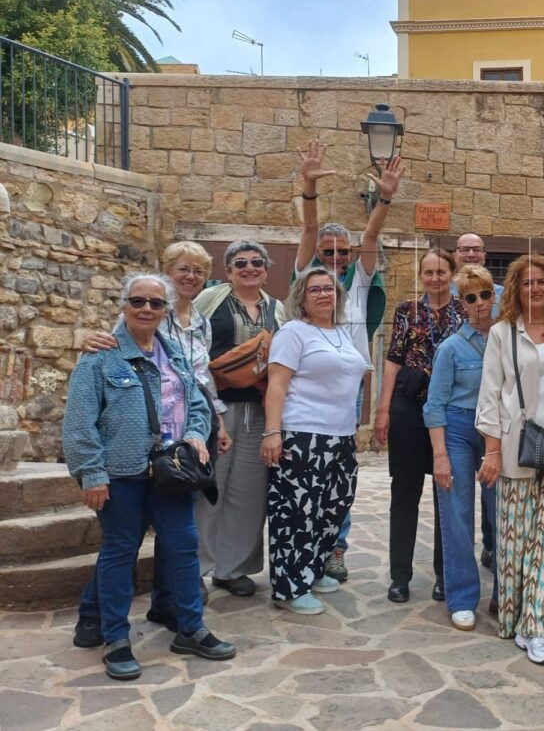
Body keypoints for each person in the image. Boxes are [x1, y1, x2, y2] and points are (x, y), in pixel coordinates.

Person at [63, 273, 236, 681]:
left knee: (183, 548)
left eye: (156, 303)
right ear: (123, 304)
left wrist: (196, 434)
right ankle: (116, 638)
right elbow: (79, 423)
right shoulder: (100, 356)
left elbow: (198, 401)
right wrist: (91, 473)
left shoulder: (173, 353)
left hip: (171, 472)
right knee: (120, 551)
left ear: (165, 309)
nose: (146, 309)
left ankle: (190, 628)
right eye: (137, 301)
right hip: (121, 475)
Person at [293, 140, 402, 584]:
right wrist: (310, 191)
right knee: (308, 473)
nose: (336, 258)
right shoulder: (310, 282)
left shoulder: (358, 283)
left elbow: (372, 237)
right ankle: (308, 545)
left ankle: (335, 547)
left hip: (347, 387)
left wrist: (385, 199)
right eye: (329, 251)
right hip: (307, 387)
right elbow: (306, 234)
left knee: (341, 472)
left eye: (343, 251)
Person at [475, 254, 544, 666]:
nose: (534, 289)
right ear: (516, 291)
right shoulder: (503, 334)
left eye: (541, 281)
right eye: (526, 283)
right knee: (515, 541)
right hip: (516, 447)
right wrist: (489, 452)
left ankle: (538, 625)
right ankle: (516, 618)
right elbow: (489, 396)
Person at [261, 266, 371, 614]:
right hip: (302, 433)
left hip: (340, 436)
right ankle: (289, 587)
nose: (324, 294)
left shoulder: (342, 333)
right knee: (296, 512)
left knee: (333, 506)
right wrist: (273, 431)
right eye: (315, 290)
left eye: (330, 289)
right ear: (302, 299)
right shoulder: (294, 332)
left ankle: (314, 567)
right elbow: (277, 383)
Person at [193, 241, 287, 598]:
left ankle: (233, 569)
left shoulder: (277, 310)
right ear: (229, 269)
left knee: (248, 492)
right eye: (241, 263)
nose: (249, 268)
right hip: (215, 407)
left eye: (257, 263)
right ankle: (196, 569)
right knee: (208, 488)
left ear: (265, 269)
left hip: (259, 410)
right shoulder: (210, 300)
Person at [374, 248, 462, 604]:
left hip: (451, 411)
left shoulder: (465, 310)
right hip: (409, 408)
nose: (434, 278)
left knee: (448, 494)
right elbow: (393, 359)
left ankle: (445, 575)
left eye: (441, 271)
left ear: (452, 274)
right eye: (428, 272)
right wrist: (383, 410)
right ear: (421, 275)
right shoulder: (405, 311)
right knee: (405, 493)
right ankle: (400, 576)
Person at [424, 264, 499, 631]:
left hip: (496, 432)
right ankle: (462, 596)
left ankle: (505, 591)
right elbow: (434, 405)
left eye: (486, 294)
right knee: (456, 513)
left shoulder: (506, 339)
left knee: (500, 510)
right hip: (457, 429)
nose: (481, 302)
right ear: (462, 304)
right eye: (472, 297)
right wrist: (440, 456)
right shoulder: (451, 348)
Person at [451, 231, 504, 570]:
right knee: (458, 500)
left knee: (493, 491)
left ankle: (493, 548)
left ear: (484, 255)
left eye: (476, 249)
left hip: (497, 410)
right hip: (461, 410)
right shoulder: (450, 298)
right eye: (464, 248)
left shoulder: (502, 297)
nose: (480, 302)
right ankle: (457, 565)